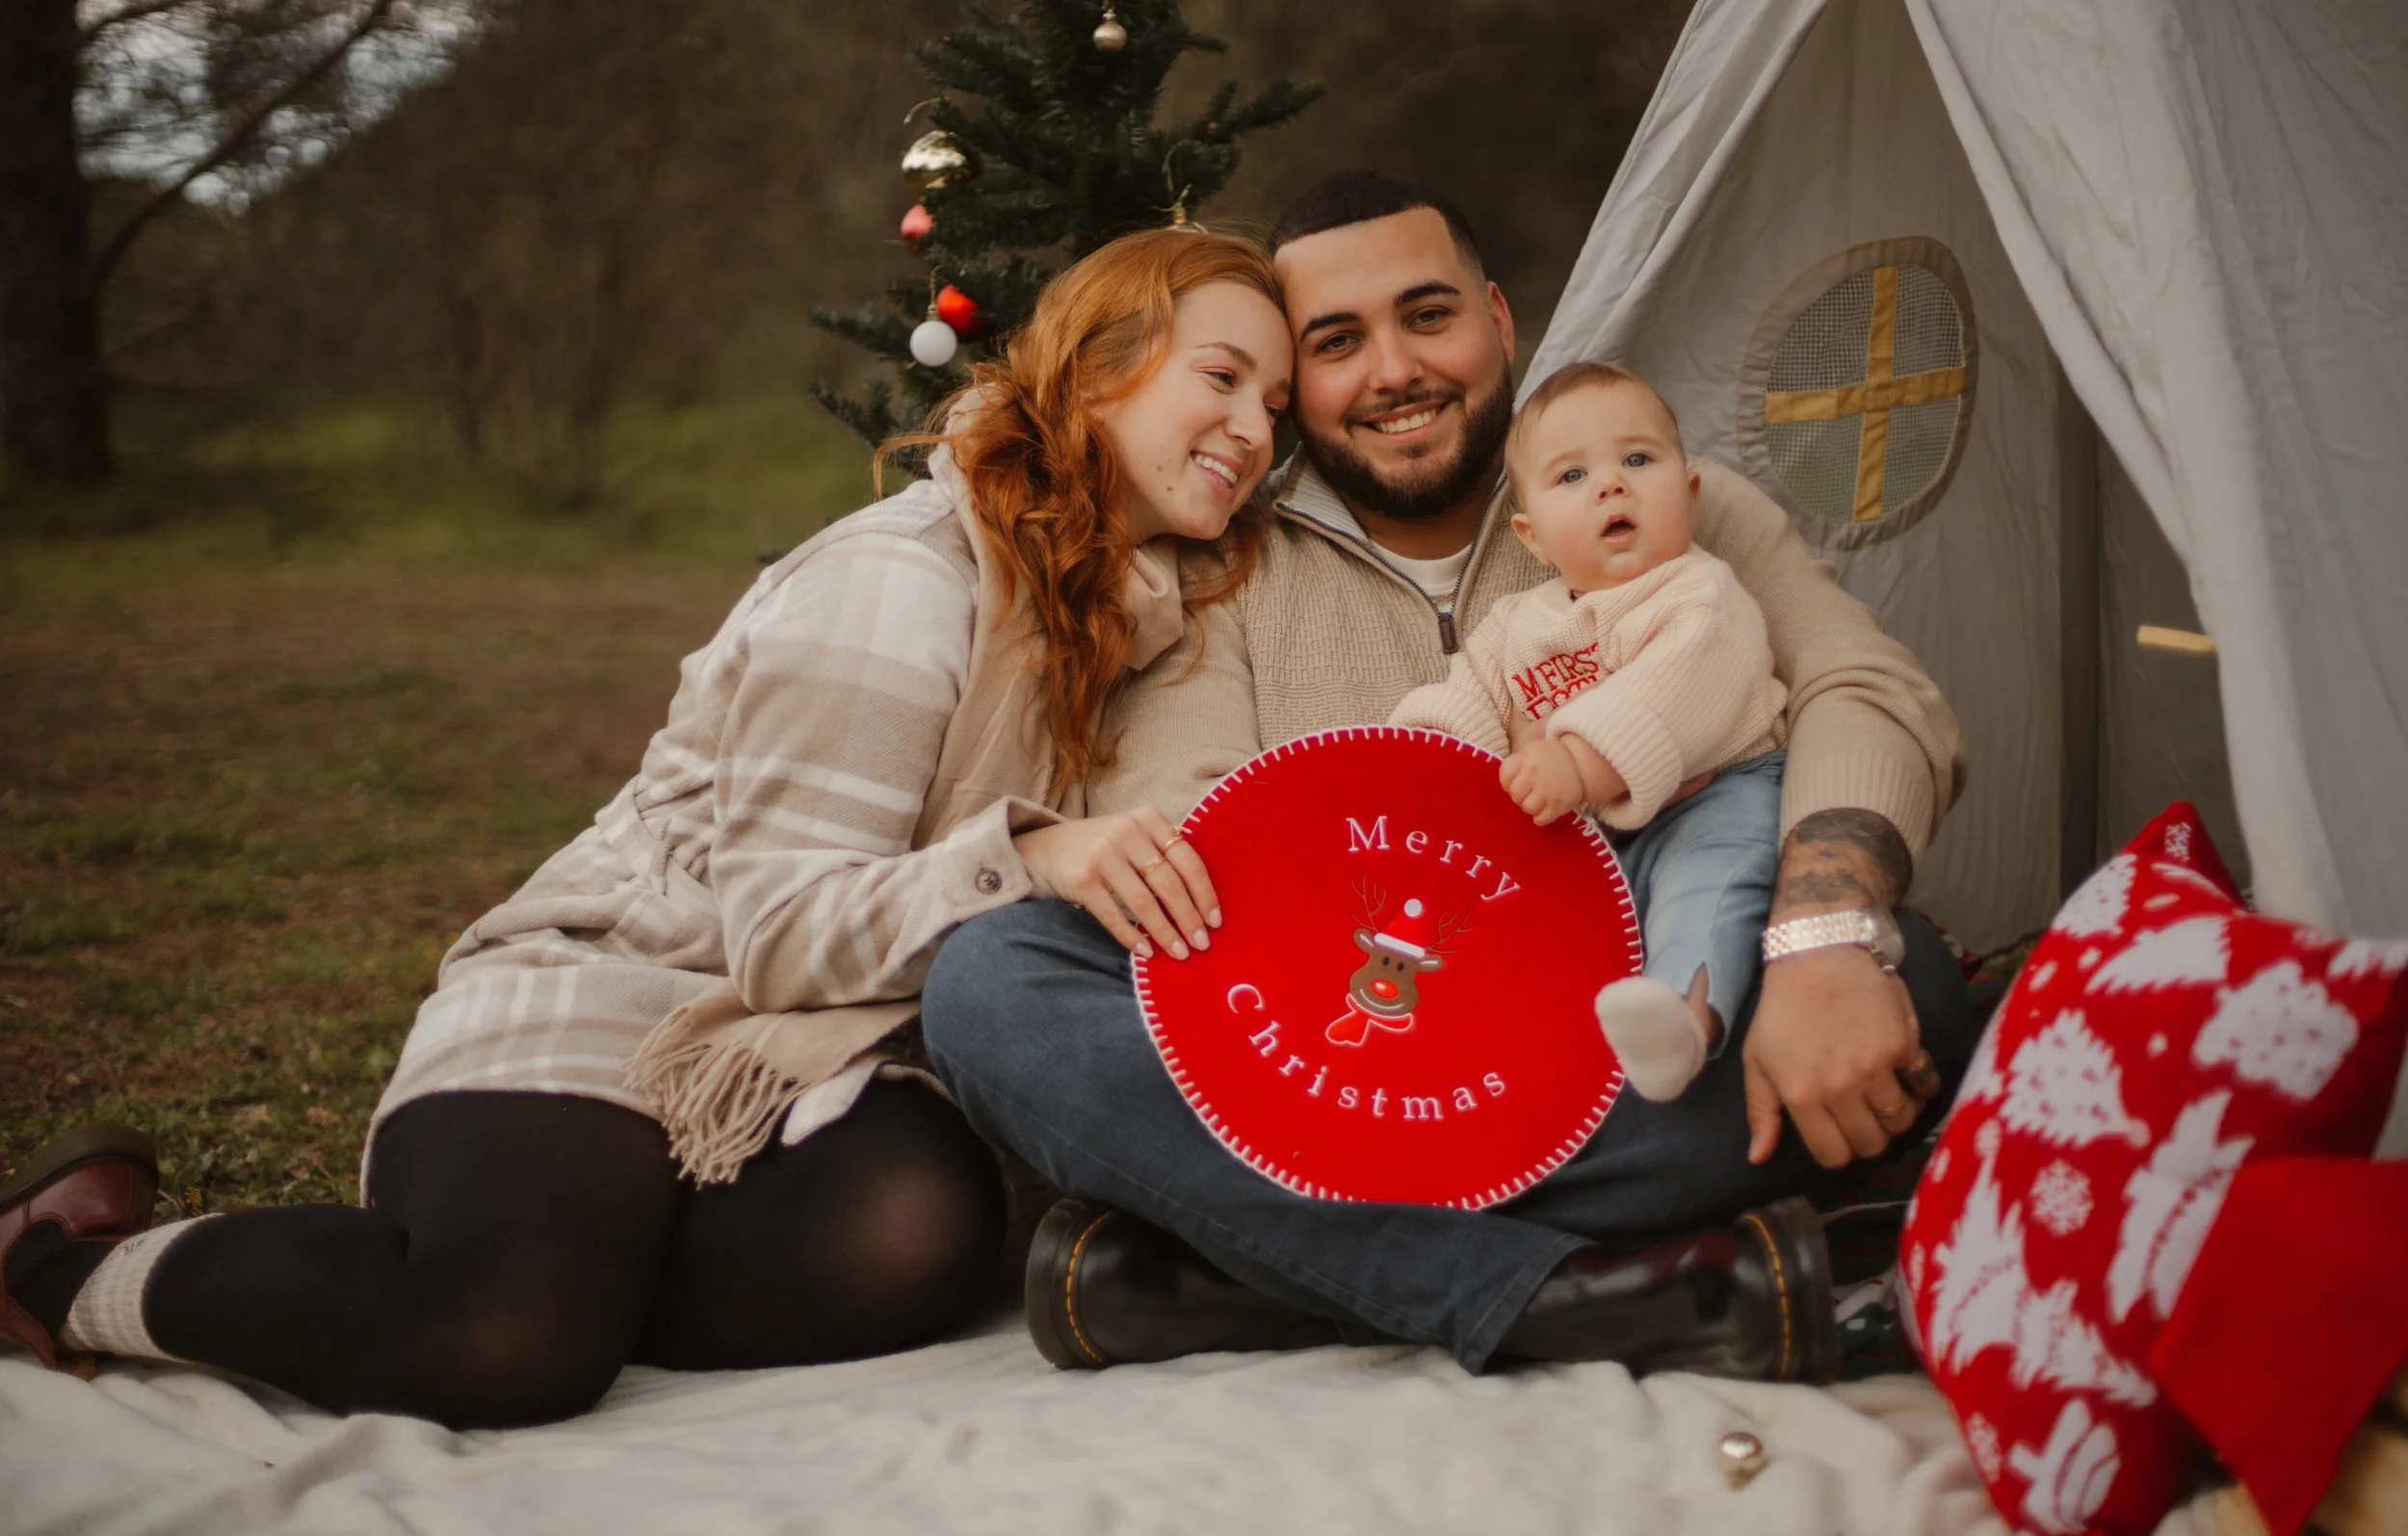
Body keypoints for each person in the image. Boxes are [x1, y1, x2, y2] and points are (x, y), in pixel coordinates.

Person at [0, 228, 1289, 1428]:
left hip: (793, 1049)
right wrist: (1041, 852)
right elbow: (779, 922)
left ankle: (559, 1260)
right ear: (1101, 368)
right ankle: (62, 1263)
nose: (1252, 428)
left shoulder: (1130, 616)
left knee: (914, 1229)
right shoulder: (905, 576)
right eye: (1223, 376)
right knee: (504, 1339)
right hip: (622, 988)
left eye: (1276, 406)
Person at [918, 171, 1972, 1379]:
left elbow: (1872, 691)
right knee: (992, 981)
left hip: (1608, 1028)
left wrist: (1822, 931)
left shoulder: (1653, 491)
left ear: (1498, 320)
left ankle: (1241, 1273)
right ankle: (1561, 1296)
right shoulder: (1219, 562)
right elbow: (1186, 845)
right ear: (1290, 384)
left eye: (1428, 316)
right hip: (1339, 1048)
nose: (1392, 371)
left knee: (1915, 983)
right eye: (1336, 342)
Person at [1390, 359, 1789, 1105]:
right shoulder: (1519, 622)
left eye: (1638, 460)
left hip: (1718, 800)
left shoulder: (1700, 591)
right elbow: (1466, 702)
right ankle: (1546, 1060)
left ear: (1690, 495)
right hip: (1590, 836)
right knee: (1541, 929)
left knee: (1708, 892)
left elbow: (1680, 685)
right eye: (1572, 477)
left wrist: (1576, 761)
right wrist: (1411, 771)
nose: (1612, 483)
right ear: (1532, 536)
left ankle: (1682, 1023)